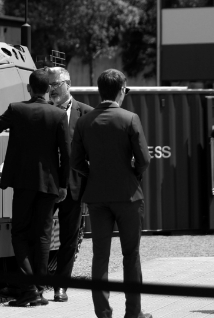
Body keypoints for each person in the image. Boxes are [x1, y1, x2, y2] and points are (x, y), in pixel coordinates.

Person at [0, 67, 70, 307]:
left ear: (29, 88)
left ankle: (28, 290)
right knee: (43, 236)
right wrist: (64, 185)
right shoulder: (58, 115)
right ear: (48, 90)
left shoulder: (17, 109)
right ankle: (38, 288)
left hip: (23, 183)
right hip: (49, 185)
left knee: (20, 234)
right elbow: (66, 154)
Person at [71, 69, 152, 318]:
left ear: (99, 91)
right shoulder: (130, 119)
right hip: (128, 196)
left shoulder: (84, 121)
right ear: (122, 90)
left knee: (100, 256)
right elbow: (144, 160)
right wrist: (132, 175)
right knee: (131, 255)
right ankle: (133, 313)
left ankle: (103, 313)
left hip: (97, 197)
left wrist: (93, 175)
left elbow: (76, 162)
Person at [48, 67, 93, 302]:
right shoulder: (42, 111)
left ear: (68, 84)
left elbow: (93, 153)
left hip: (74, 187)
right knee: (38, 236)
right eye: (48, 86)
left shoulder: (87, 114)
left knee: (68, 239)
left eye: (55, 85)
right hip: (46, 185)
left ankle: (60, 287)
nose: (51, 90)